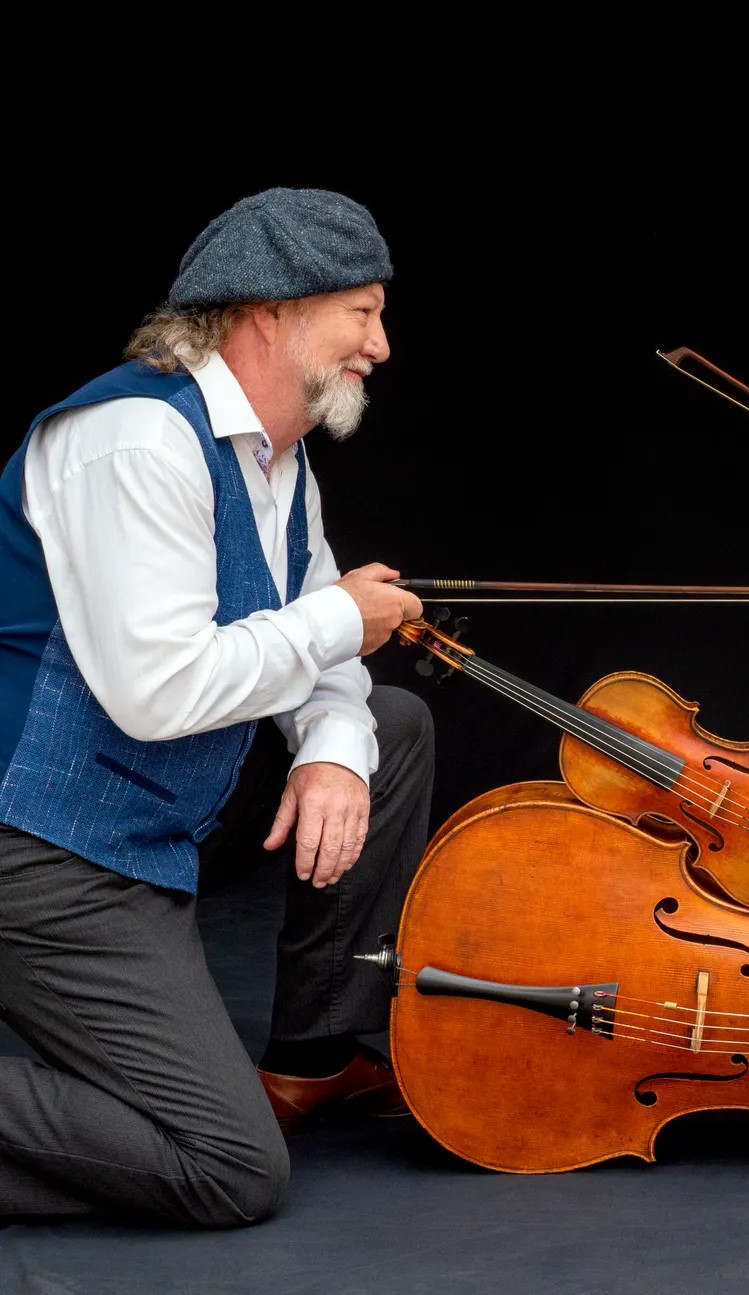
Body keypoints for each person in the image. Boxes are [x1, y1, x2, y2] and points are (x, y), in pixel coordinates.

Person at [0, 187, 434, 1227]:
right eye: (361, 312)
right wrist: (337, 620)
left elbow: (327, 652)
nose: (380, 344)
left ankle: (313, 1056)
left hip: (155, 815)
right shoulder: (135, 441)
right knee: (228, 1169)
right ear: (268, 312)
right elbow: (159, 690)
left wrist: (331, 748)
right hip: (46, 844)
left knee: (388, 729)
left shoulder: (279, 460)